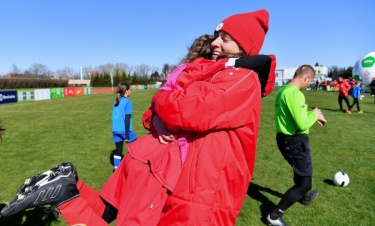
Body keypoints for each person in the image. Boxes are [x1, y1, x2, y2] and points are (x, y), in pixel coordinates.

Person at [1, 9, 277, 225]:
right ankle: (67, 196)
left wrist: (159, 107)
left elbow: (180, 108)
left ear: (245, 45)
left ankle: (67, 187)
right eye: (217, 36)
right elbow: (178, 109)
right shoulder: (230, 76)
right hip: (176, 174)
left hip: (169, 168)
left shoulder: (237, 79)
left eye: (225, 39)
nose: (216, 43)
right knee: (111, 211)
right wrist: (157, 111)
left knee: (108, 210)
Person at [266, 65, 327, 226]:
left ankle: (304, 197)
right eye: (310, 82)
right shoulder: (295, 94)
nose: (309, 85)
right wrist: (314, 115)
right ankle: (274, 215)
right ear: (306, 78)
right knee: (305, 182)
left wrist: (313, 115)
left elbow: (297, 116)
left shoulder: (284, 90)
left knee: (300, 174)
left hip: (286, 139)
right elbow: (301, 124)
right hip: (295, 141)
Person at [111, 82, 136, 171]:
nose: (130, 91)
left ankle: (116, 169)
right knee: (136, 148)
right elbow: (127, 119)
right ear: (126, 91)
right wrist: (127, 135)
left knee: (118, 150)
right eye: (130, 90)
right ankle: (133, 168)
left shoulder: (116, 101)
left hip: (115, 130)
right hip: (124, 130)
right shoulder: (128, 102)